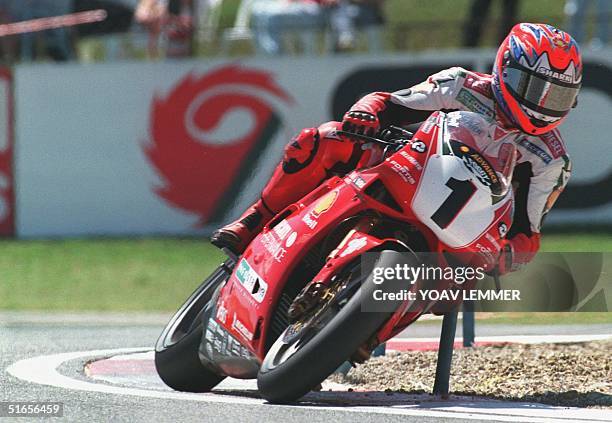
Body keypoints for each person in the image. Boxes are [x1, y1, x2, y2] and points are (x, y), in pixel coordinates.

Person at [212, 23, 581, 275]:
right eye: (536, 89)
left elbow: (528, 230)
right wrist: (366, 111)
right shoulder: (460, 85)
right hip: (411, 168)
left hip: (464, 231)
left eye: (559, 95)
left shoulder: (551, 159)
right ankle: (254, 221)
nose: (544, 104)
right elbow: (387, 103)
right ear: (508, 69)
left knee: (469, 276)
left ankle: (361, 326)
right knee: (319, 141)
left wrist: (512, 254)